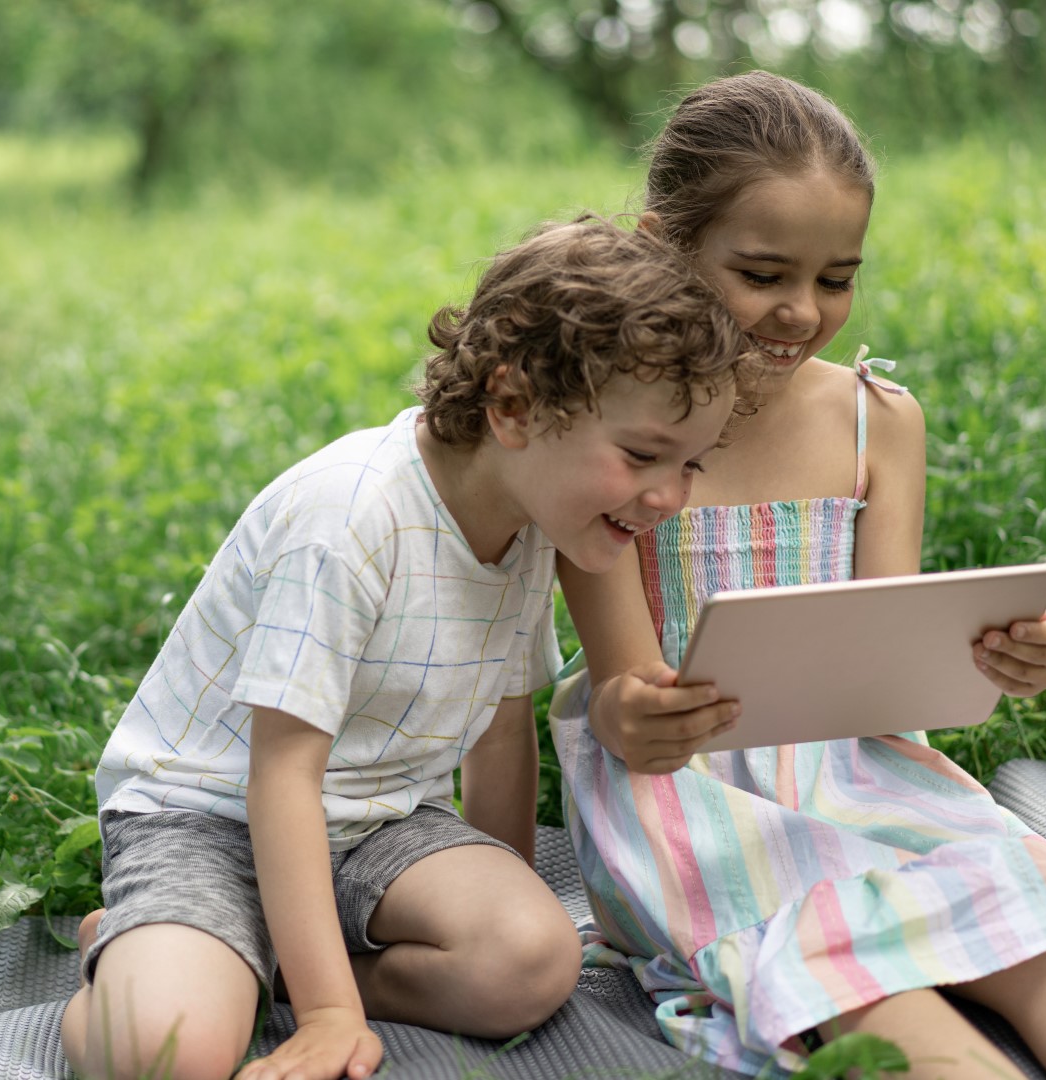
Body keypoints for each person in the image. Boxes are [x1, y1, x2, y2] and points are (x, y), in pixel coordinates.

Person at [551, 72, 1046, 1080]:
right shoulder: (617, 436)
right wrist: (635, 715)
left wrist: (1002, 655)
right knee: (848, 962)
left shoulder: (879, 418)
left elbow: (885, 656)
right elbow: (623, 694)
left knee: (1033, 924)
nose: (802, 311)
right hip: (691, 789)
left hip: (859, 765)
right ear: (667, 242)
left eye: (836, 279)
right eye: (763, 274)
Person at [61, 217, 755, 1080]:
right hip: (214, 819)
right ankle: (150, 953)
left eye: (690, 464)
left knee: (533, 960)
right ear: (513, 407)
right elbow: (280, 777)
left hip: (381, 822)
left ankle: (252, 964)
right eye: (644, 454)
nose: (669, 496)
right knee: (165, 1053)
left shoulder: (540, 523)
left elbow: (503, 732)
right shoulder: (350, 517)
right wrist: (328, 1019)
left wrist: (497, 883)